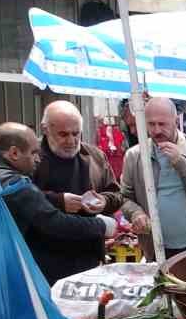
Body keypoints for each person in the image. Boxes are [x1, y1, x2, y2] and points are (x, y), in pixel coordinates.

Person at [0, 122, 117, 284]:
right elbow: (56, 223)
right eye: (33, 153)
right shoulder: (13, 183)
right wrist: (101, 225)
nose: (38, 159)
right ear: (14, 153)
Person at [120, 97, 186, 256]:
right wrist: (135, 213)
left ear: (175, 121)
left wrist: (181, 163)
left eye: (162, 124)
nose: (157, 130)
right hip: (156, 249)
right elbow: (124, 197)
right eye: (151, 124)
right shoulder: (135, 155)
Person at [32, 100, 124, 266]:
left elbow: (117, 195)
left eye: (76, 134)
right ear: (46, 129)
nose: (71, 141)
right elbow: (21, 199)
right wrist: (59, 201)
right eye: (63, 134)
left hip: (89, 255)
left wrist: (103, 201)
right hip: (44, 257)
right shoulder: (32, 158)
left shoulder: (95, 156)